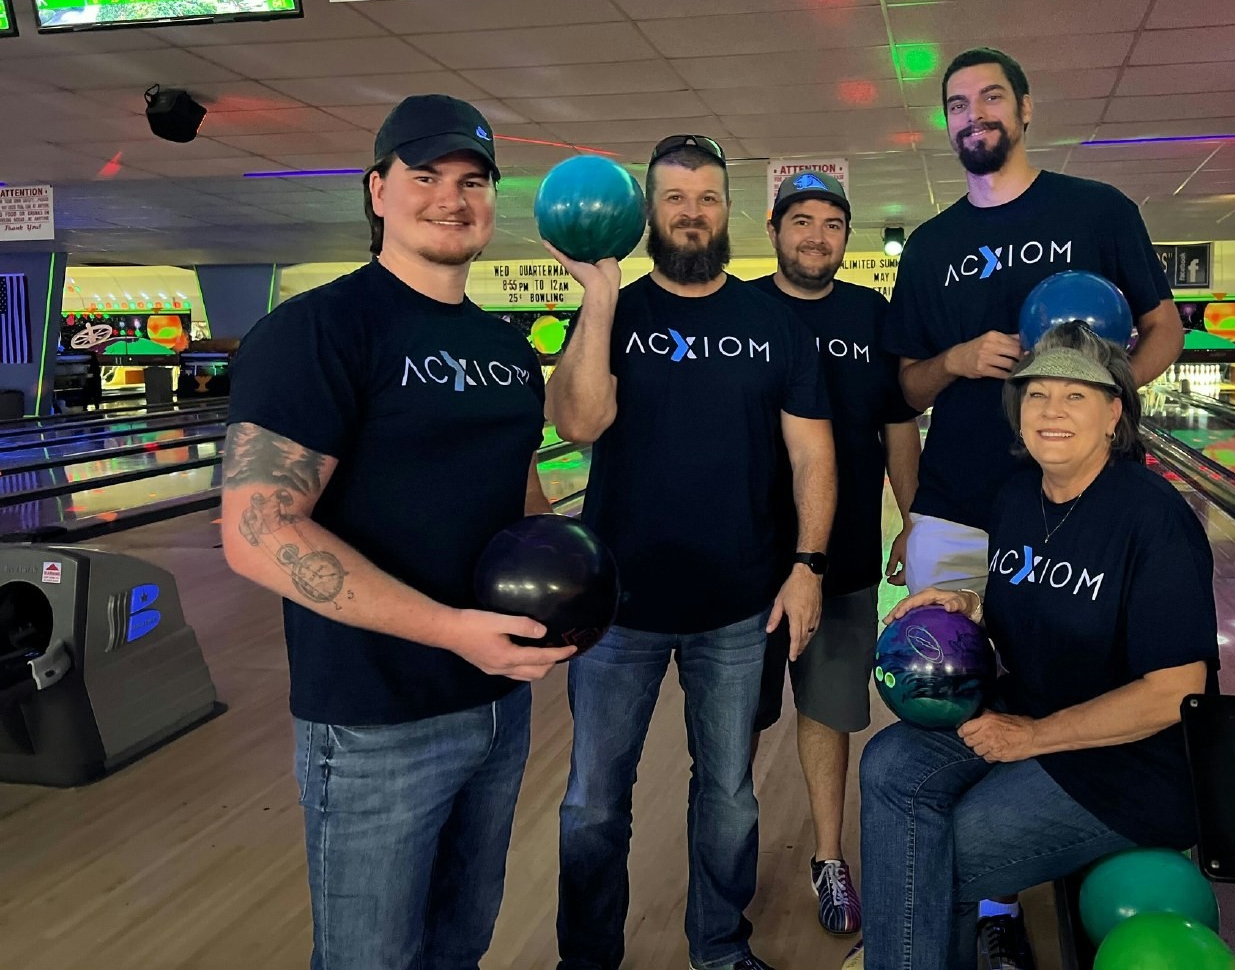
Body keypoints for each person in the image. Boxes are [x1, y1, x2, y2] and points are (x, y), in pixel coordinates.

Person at [222, 94, 575, 970]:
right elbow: (257, 530)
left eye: (473, 181)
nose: (452, 198)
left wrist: (576, 582)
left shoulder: (506, 347)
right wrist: (452, 629)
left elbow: (519, 498)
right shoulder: (316, 331)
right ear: (378, 191)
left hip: (497, 709)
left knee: (461, 942)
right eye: (426, 177)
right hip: (374, 724)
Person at [547, 134, 837, 970]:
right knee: (592, 805)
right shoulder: (616, 312)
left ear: (726, 211)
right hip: (616, 608)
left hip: (738, 609)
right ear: (649, 211)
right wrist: (599, 302)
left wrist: (808, 566)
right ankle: (587, 958)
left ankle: (718, 948)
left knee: (731, 800)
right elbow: (577, 423)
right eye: (675, 197)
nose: (692, 211)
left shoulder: (770, 320)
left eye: (707, 196)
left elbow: (813, 454)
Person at [849, 322, 1220, 970]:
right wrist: (971, 606)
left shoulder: (1151, 520)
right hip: (1024, 709)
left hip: (1130, 764)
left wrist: (1033, 737)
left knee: (946, 848)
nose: (1051, 410)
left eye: (1075, 395)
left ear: (1114, 412)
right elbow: (1040, 601)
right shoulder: (1019, 496)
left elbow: (1177, 691)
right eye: (1036, 393)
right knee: (887, 763)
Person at [884, 45, 1184, 600]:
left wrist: (1095, 397)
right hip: (955, 509)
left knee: (1060, 675)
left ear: (1025, 108)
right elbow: (905, 388)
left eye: (990, 96)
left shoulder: (1099, 211)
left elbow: (1166, 329)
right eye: (957, 105)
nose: (973, 114)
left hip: (1082, 497)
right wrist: (956, 360)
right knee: (946, 679)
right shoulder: (929, 246)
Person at [748, 170, 921, 936]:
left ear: (846, 238)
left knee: (828, 713)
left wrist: (915, 522)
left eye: (832, 224)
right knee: (733, 725)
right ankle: (722, 862)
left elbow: (897, 428)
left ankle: (827, 857)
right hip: (745, 564)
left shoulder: (870, 315)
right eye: (802, 221)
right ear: (774, 229)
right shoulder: (740, 307)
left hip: (842, 557)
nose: (817, 236)